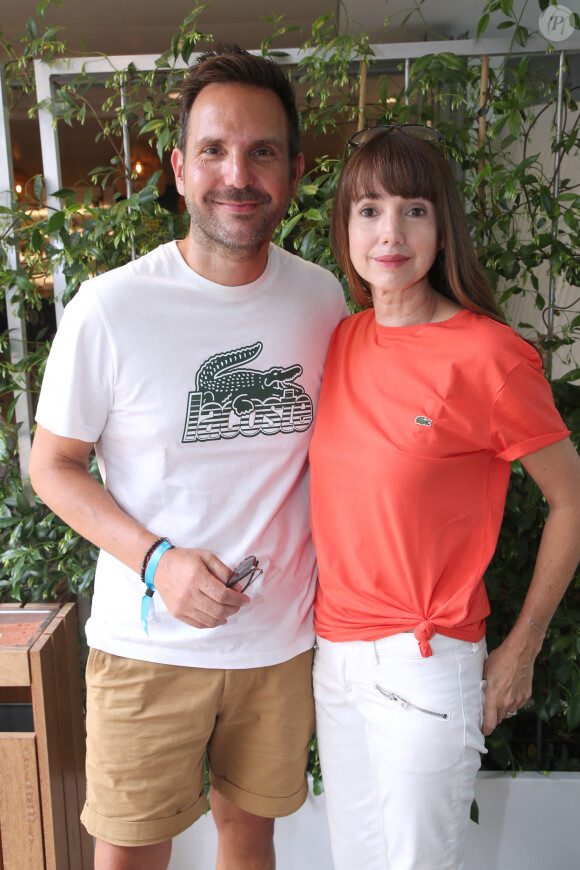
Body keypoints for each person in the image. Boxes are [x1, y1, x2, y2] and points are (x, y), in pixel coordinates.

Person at [28, 44, 347, 870]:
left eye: (261, 151)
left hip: (278, 642)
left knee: (250, 834)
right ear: (178, 168)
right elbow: (51, 464)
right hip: (148, 647)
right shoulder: (110, 308)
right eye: (213, 150)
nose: (236, 173)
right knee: (132, 852)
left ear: (295, 169)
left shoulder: (322, 297)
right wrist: (157, 560)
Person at [308, 124, 580, 870]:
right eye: (368, 210)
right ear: (346, 226)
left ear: (443, 226)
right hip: (335, 659)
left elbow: (573, 500)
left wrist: (521, 647)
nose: (389, 232)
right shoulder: (339, 340)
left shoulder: (488, 356)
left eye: (413, 209)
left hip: (424, 664)